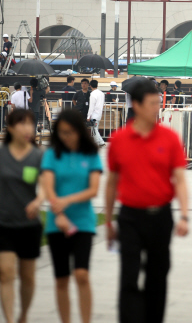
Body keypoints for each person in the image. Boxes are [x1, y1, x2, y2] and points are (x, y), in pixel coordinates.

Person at [105, 79, 189, 323]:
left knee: (158, 274)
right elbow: (111, 183)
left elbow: (180, 180)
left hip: (161, 217)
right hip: (130, 216)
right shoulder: (120, 140)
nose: (157, 108)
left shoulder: (169, 138)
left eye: (158, 103)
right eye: (152, 103)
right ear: (137, 105)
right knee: (129, 274)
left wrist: (184, 214)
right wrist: (109, 221)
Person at [41, 110, 103, 323]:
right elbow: (48, 187)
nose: (67, 137)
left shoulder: (90, 154)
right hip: (56, 222)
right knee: (61, 279)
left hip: (83, 221)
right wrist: (58, 212)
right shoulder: (52, 154)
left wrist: (66, 201)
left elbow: (94, 190)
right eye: (63, 133)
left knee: (81, 275)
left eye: (71, 132)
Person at [0, 110, 44, 323]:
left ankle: (23, 316)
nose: (28, 129)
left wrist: (39, 201)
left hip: (29, 224)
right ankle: (9, 319)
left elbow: (46, 185)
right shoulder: (2, 155)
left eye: (30, 124)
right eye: (22, 124)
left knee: (27, 276)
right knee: (5, 272)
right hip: (4, 222)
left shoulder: (38, 156)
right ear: (10, 128)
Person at [87, 80, 105, 147]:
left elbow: (91, 106)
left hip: (94, 114)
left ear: (90, 86)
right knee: (95, 129)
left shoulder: (92, 94)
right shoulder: (101, 93)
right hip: (99, 113)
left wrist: (88, 116)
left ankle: (98, 142)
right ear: (97, 85)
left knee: (94, 130)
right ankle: (101, 142)